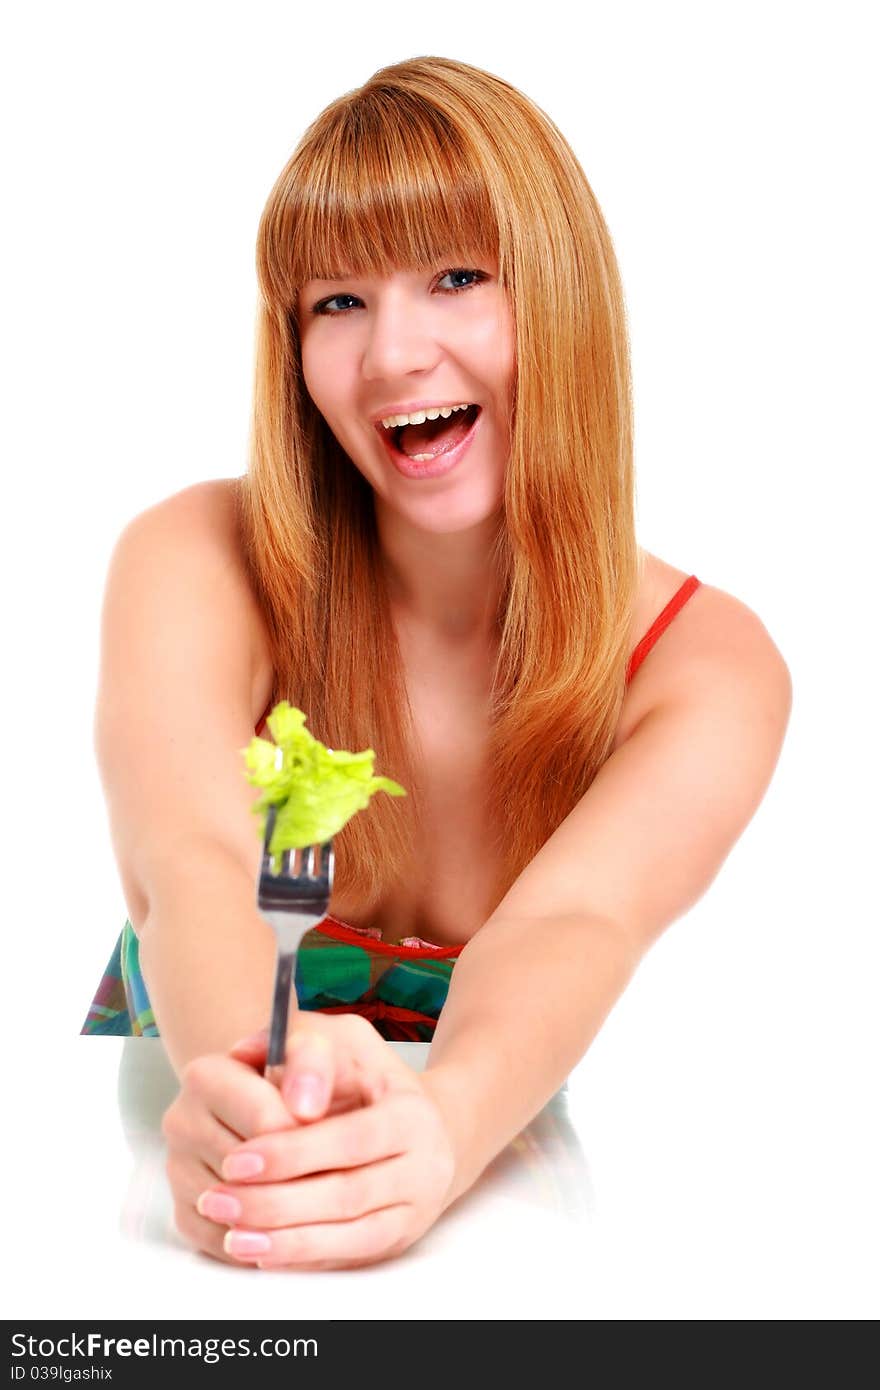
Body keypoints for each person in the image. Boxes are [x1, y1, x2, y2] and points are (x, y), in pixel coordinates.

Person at [82, 55, 792, 1270]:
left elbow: (577, 920)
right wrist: (253, 1070)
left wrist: (442, 1132)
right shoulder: (193, 558)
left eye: (458, 277)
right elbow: (187, 858)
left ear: (560, 300)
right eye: (335, 303)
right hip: (170, 1149)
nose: (392, 355)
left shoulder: (705, 671)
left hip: (489, 1181)